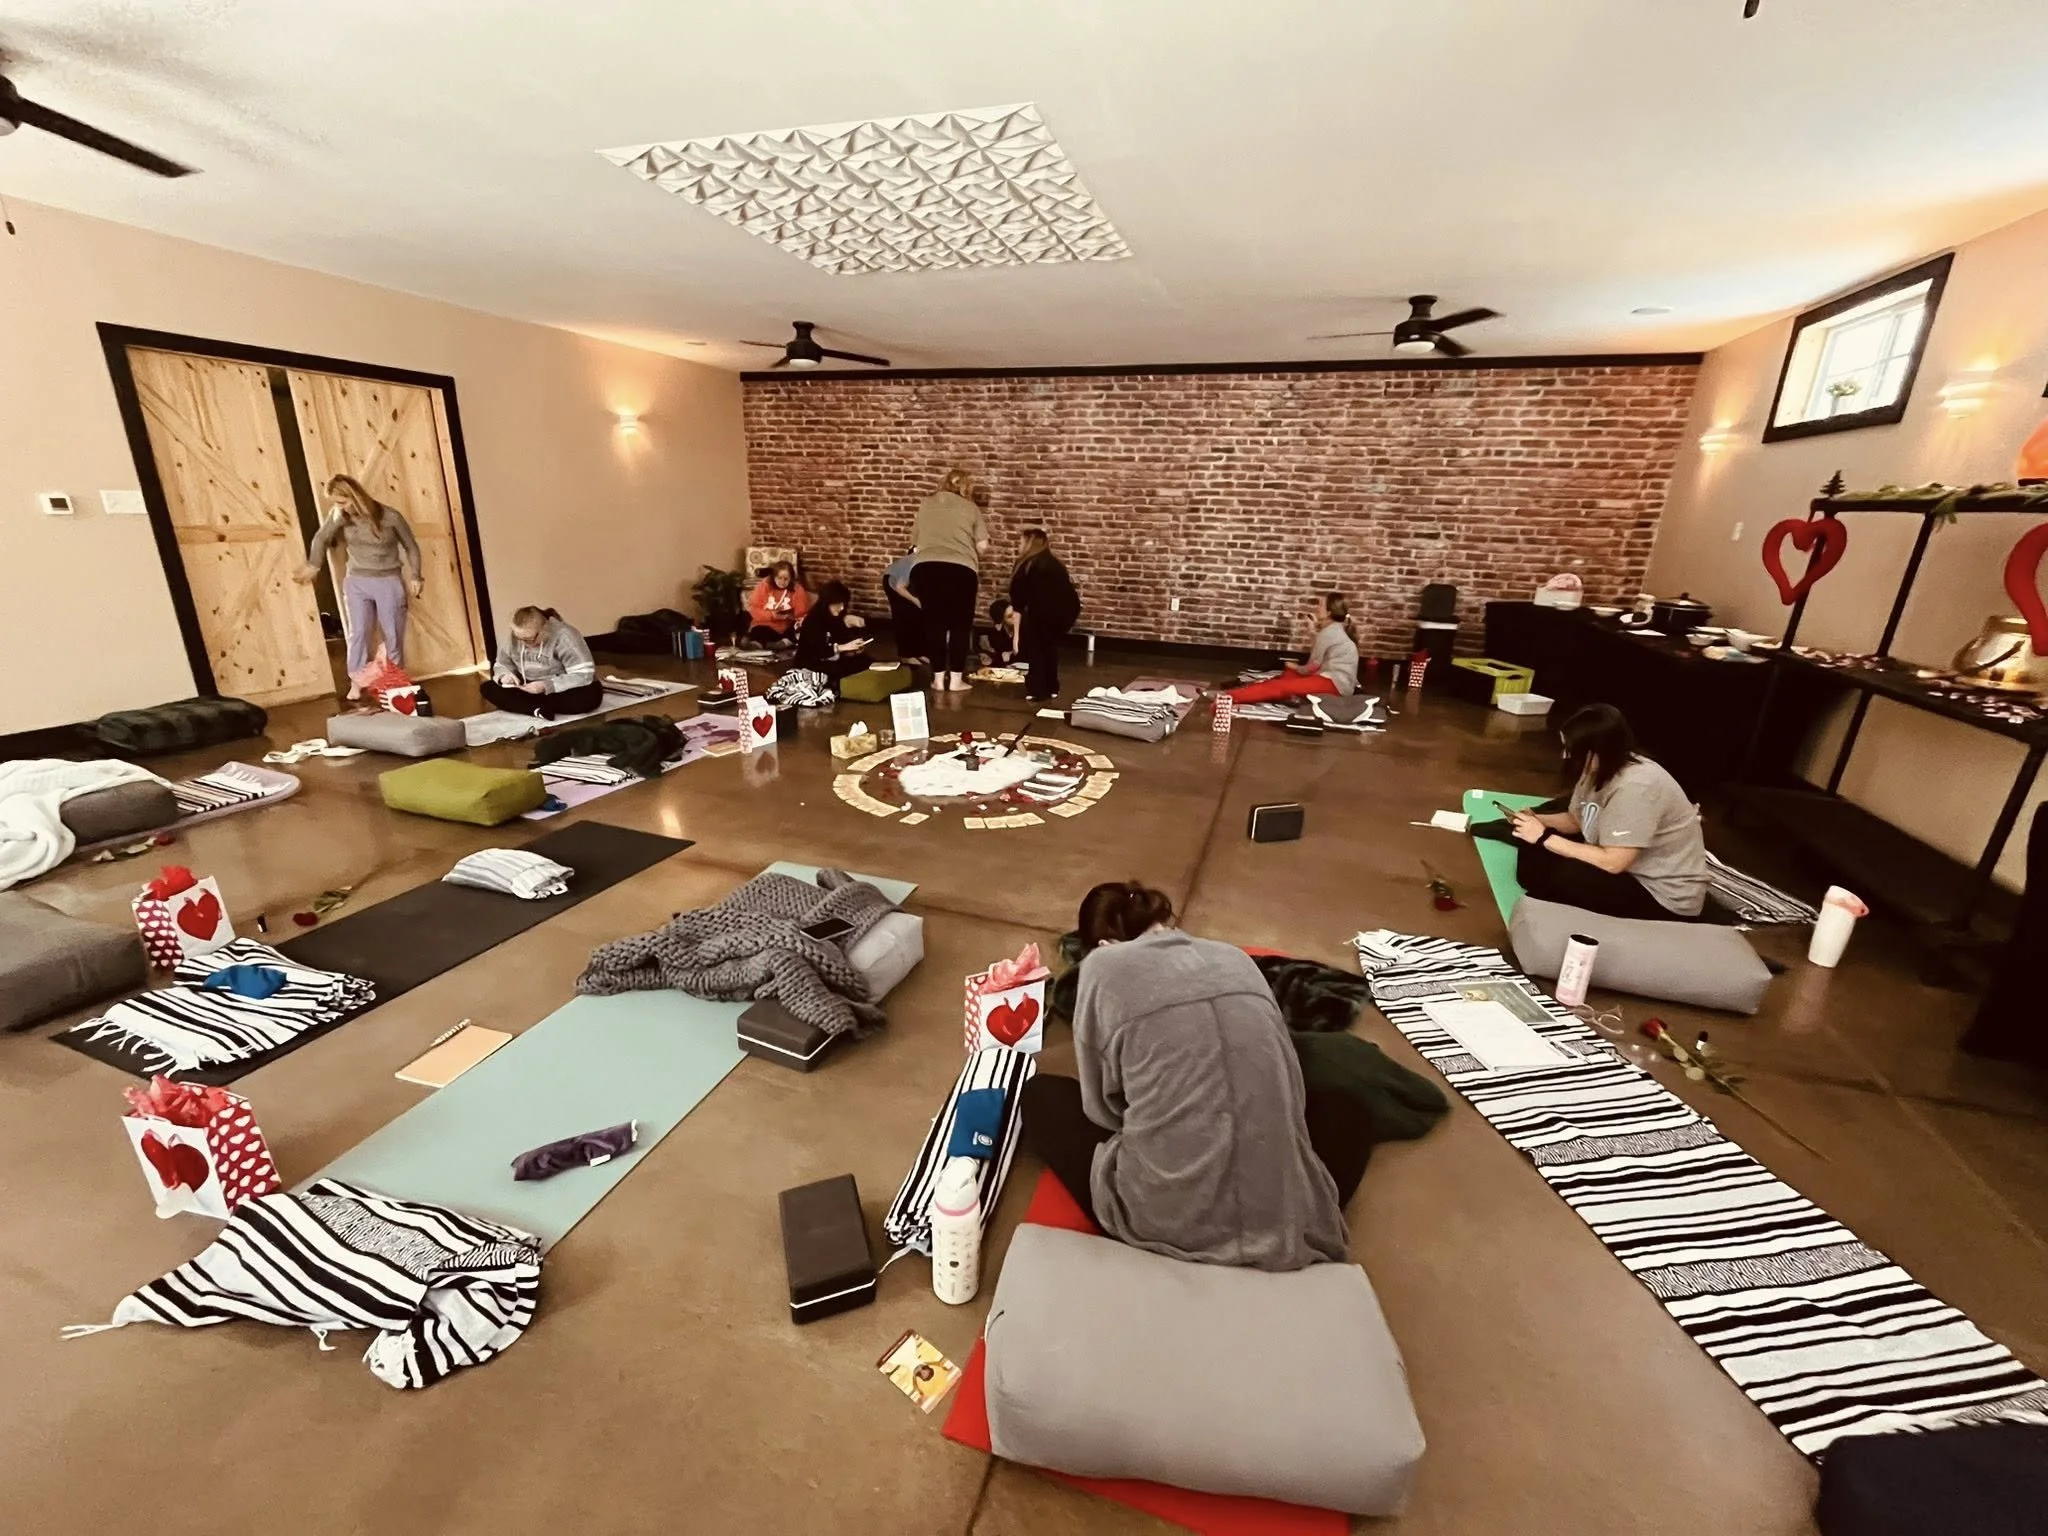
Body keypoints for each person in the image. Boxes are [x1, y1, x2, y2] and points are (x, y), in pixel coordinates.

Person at [1018, 882, 1365, 1272]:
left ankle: (1171, 1216)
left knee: (1040, 1095)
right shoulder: (1235, 958)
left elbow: (1104, 1108)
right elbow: (1293, 1096)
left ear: (1101, 946)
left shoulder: (1102, 969)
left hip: (1165, 1221)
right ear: (1163, 922)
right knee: (1344, 1109)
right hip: (1283, 1221)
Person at [1497, 703, 1709, 920]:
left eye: (1572, 750)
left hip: (1660, 893)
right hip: (1623, 868)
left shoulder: (1637, 786)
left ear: (1600, 750)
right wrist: (1537, 820)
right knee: (1532, 849)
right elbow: (1577, 820)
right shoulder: (1595, 767)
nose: (1565, 756)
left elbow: (1614, 862)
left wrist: (1544, 836)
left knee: (1569, 875)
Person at [296, 474, 423, 695]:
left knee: (392, 633)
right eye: (336, 503)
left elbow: (411, 546)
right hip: (356, 582)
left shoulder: (390, 517)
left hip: (388, 581)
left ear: (354, 496)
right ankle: (356, 682)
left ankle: (393, 683)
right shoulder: (339, 516)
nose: (339, 507)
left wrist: (416, 576)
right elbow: (320, 538)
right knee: (359, 633)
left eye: (342, 502)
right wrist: (314, 565)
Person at [908, 469, 989, 692]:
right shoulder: (970, 507)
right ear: (966, 487)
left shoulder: (926, 504)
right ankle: (955, 681)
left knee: (934, 626)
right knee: (960, 627)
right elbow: (983, 546)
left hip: (927, 568)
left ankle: (936, 679)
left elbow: (915, 542)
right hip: (961, 570)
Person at [1226, 594, 1360, 705]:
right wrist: (1312, 631)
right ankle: (1286, 695)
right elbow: (1322, 648)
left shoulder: (1329, 632)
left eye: (1320, 605)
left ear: (1329, 612)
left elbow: (1312, 666)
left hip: (1334, 684)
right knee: (1288, 676)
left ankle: (1229, 697)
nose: (1317, 608)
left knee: (1280, 685)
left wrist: (1296, 667)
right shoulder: (1335, 629)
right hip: (1334, 680)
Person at [480, 606, 602, 719]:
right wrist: (505, 676)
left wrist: (545, 686)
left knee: (589, 697)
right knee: (488, 688)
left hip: (561, 689)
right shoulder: (515, 637)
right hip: (528, 687)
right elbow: (502, 663)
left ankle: (530, 706)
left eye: (528, 639)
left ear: (544, 629)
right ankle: (537, 709)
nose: (523, 643)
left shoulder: (565, 635)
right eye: (519, 638)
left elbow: (584, 674)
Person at [1007, 527, 1081, 701]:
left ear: (1028, 543)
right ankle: (1052, 687)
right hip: (1064, 612)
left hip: (1041, 613)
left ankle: (1038, 690)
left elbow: (1018, 604)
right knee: (1049, 648)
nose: (1018, 545)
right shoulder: (1055, 564)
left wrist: (1016, 636)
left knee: (1036, 651)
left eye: (1021, 542)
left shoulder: (1025, 566)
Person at [792, 580, 871, 684]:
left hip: (834, 659)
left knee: (866, 661)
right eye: (838, 604)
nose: (842, 608)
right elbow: (815, 652)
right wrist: (842, 647)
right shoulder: (814, 620)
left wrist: (853, 650)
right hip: (812, 663)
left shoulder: (836, 617)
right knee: (838, 671)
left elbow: (842, 639)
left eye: (843, 604)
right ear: (828, 603)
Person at [745, 561, 812, 648]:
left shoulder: (798, 589)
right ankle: (759, 644)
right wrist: (771, 615)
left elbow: (801, 613)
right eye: (779, 578)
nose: (782, 582)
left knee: (803, 626)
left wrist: (789, 616)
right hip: (767, 625)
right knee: (758, 631)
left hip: (787, 626)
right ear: (774, 577)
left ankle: (783, 643)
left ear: (791, 578)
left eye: (786, 579)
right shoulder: (764, 585)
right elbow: (754, 609)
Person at [882, 548, 924, 662]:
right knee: (903, 617)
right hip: (893, 582)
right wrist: (916, 601)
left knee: (917, 616)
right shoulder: (914, 563)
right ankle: (906, 655)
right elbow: (900, 588)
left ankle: (919, 652)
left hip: (905, 583)